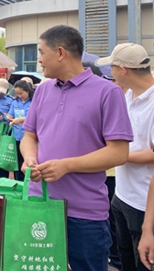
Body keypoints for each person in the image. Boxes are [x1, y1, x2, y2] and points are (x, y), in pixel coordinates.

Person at [20, 25, 133, 271]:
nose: (39, 60)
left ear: (60, 53)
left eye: (41, 52)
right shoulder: (42, 91)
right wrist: (30, 157)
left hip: (85, 214)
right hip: (40, 203)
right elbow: (29, 136)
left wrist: (66, 166)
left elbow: (119, 152)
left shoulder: (108, 92)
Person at [97, 43, 154, 271]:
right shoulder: (128, 95)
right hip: (122, 194)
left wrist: (120, 155)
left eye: (111, 68)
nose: (109, 73)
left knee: (144, 262)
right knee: (124, 257)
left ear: (123, 70)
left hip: (144, 201)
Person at [7, 79, 33, 181]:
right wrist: (5, 117)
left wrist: (21, 120)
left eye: (21, 93)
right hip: (16, 136)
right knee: (17, 164)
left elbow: (35, 118)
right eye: (17, 94)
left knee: (27, 162)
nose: (19, 96)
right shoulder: (15, 102)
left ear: (27, 91)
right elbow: (10, 115)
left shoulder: (34, 102)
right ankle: (18, 183)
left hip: (28, 137)